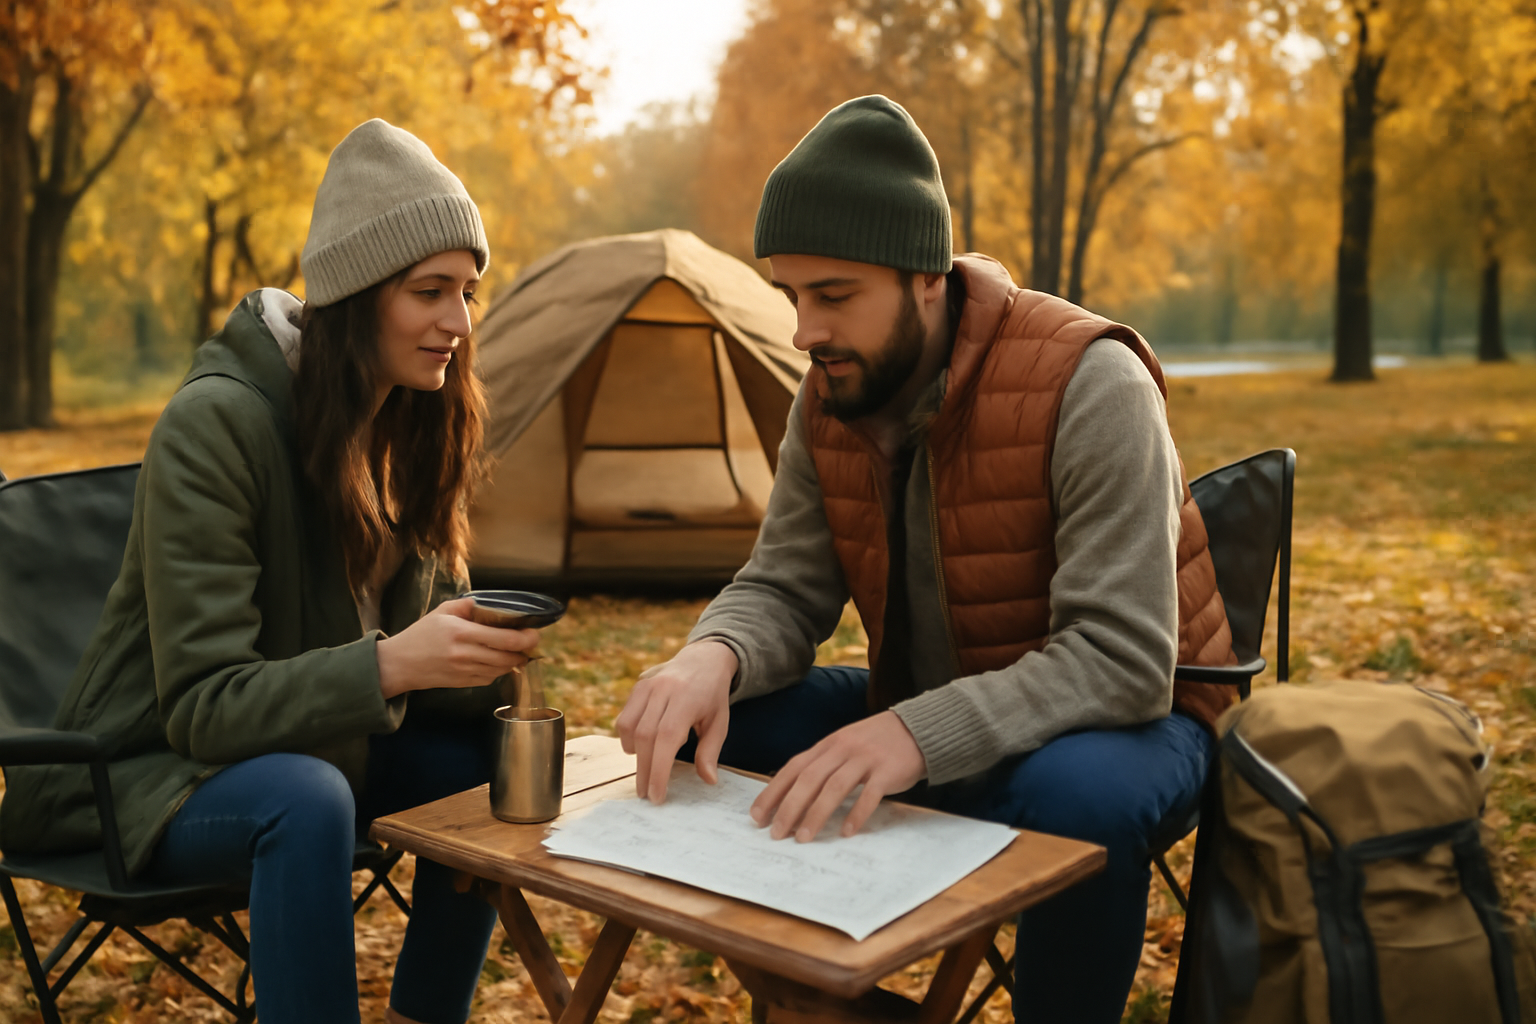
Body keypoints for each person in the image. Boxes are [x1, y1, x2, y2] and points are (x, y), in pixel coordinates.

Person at [615, 95, 1237, 1024]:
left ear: (924, 279)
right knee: (721, 729)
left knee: (1076, 792)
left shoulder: (1090, 380)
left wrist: (911, 735)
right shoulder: (828, 393)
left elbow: (1122, 660)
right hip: (925, 702)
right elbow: (785, 586)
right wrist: (714, 655)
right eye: (791, 296)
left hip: (1134, 723)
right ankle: (819, 1002)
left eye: (833, 296)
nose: (803, 332)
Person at [0, 119, 534, 1024]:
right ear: (360, 295)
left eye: (468, 291)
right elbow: (204, 708)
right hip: (143, 780)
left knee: (491, 766)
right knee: (308, 797)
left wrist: (484, 659)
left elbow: (415, 675)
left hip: (313, 746)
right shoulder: (216, 427)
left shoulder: (406, 423)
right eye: (430, 291)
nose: (459, 321)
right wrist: (398, 662)